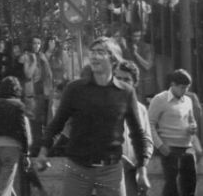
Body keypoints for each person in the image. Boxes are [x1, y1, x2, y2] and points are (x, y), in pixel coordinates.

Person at [36, 37, 151, 196]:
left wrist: (142, 169)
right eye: (93, 52)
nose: (94, 56)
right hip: (78, 168)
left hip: (111, 169)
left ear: (113, 58)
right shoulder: (75, 89)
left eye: (100, 52)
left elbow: (138, 133)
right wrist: (43, 152)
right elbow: (57, 123)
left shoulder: (126, 92)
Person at [148, 69, 201, 196]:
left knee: (190, 184)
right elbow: (149, 124)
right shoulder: (159, 99)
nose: (185, 91)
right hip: (169, 147)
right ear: (173, 85)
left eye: (187, 87)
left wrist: (193, 126)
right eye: (182, 87)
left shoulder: (187, 100)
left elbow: (191, 120)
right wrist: (160, 146)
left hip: (187, 147)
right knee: (172, 185)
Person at [113, 60, 154, 196]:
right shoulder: (104, 106)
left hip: (133, 170)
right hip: (110, 169)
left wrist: (142, 161)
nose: (121, 82)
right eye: (118, 78)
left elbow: (146, 139)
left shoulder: (141, 109)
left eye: (126, 79)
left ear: (134, 83)